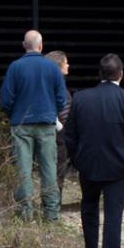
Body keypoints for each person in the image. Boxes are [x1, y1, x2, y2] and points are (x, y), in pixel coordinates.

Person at [65, 53, 124, 248]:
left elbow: (70, 135)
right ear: (121, 74)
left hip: (88, 164)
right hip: (119, 168)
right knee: (113, 215)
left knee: (89, 206)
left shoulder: (81, 98)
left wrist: (77, 160)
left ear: (99, 74)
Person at [0, 30, 66, 223]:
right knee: (49, 169)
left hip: (21, 125)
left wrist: (14, 114)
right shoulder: (52, 68)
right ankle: (51, 214)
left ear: (23, 45)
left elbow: (5, 99)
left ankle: (25, 214)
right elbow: (62, 99)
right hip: (46, 125)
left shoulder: (15, 67)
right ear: (41, 46)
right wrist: (52, 112)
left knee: (23, 170)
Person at [47, 49, 73, 198]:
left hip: (57, 131)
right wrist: (63, 128)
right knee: (58, 168)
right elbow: (60, 109)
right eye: (66, 62)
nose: (68, 65)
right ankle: (53, 203)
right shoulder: (57, 85)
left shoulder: (53, 83)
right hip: (58, 133)